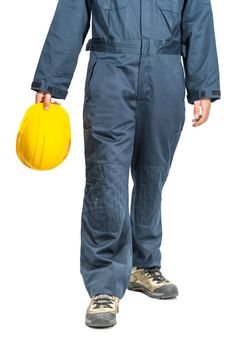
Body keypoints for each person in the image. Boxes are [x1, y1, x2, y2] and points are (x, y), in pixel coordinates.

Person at [31, 0, 221, 328]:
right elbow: (70, 16)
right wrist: (50, 79)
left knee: (152, 174)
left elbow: (198, 22)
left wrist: (202, 87)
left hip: (164, 73)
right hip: (109, 71)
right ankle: (104, 283)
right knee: (106, 176)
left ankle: (144, 265)